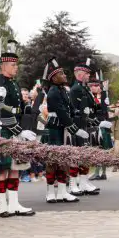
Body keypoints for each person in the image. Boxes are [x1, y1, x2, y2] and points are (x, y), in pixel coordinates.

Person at [0, 40, 37, 217]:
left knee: (15, 167)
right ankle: (2, 205)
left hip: (14, 128)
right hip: (4, 129)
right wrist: (17, 130)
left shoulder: (13, 83)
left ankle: (14, 203)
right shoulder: (0, 82)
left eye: (17, 65)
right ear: (3, 65)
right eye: (13, 65)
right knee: (2, 169)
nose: (16, 68)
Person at [43, 61, 85, 203]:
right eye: (61, 73)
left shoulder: (63, 90)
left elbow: (71, 109)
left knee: (63, 161)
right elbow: (61, 113)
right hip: (54, 129)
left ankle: (62, 191)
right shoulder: (53, 92)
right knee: (52, 161)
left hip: (62, 128)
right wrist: (75, 129)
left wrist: (83, 117)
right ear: (54, 78)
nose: (65, 75)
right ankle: (50, 192)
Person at [68, 62, 101, 196]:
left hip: (85, 124)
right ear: (80, 74)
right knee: (75, 156)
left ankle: (83, 182)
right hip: (78, 125)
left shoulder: (84, 88)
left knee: (85, 156)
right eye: (87, 73)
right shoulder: (75, 89)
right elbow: (74, 109)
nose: (89, 76)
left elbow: (90, 106)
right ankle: (72, 184)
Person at [87, 76, 111, 180]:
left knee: (103, 150)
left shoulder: (103, 98)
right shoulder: (92, 98)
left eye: (96, 85)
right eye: (93, 86)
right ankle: (97, 172)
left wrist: (105, 92)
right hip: (96, 127)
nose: (95, 87)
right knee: (97, 150)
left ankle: (103, 173)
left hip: (102, 128)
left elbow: (105, 111)